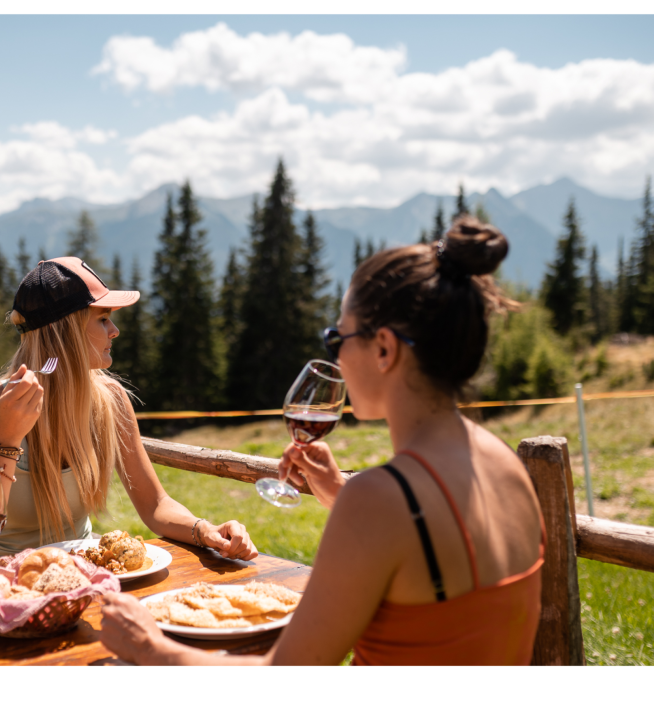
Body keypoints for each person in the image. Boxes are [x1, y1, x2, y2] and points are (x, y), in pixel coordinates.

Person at [100, 217, 544, 666]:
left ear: (385, 349)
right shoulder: (505, 465)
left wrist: (149, 647)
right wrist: (339, 492)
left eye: (337, 338)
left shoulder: (384, 500)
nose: (334, 355)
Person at [0, 256, 258, 563]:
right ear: (66, 329)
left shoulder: (110, 399)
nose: (115, 331)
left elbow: (155, 504)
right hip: (4, 589)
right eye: (103, 318)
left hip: (81, 580)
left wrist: (204, 530)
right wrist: (6, 438)